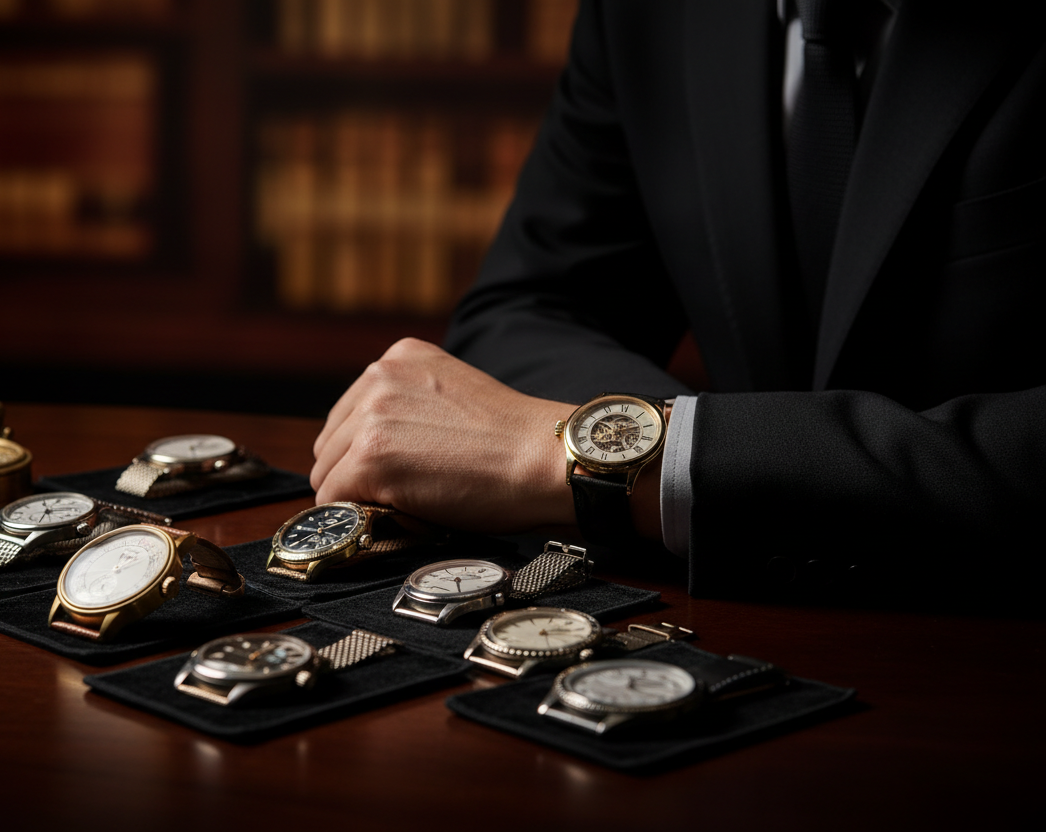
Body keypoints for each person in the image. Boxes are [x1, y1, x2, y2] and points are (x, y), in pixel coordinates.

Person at [310, 0, 1044, 599]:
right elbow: (527, 307)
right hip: (726, 610)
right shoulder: (652, 13)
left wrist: (631, 463)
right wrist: (647, 453)